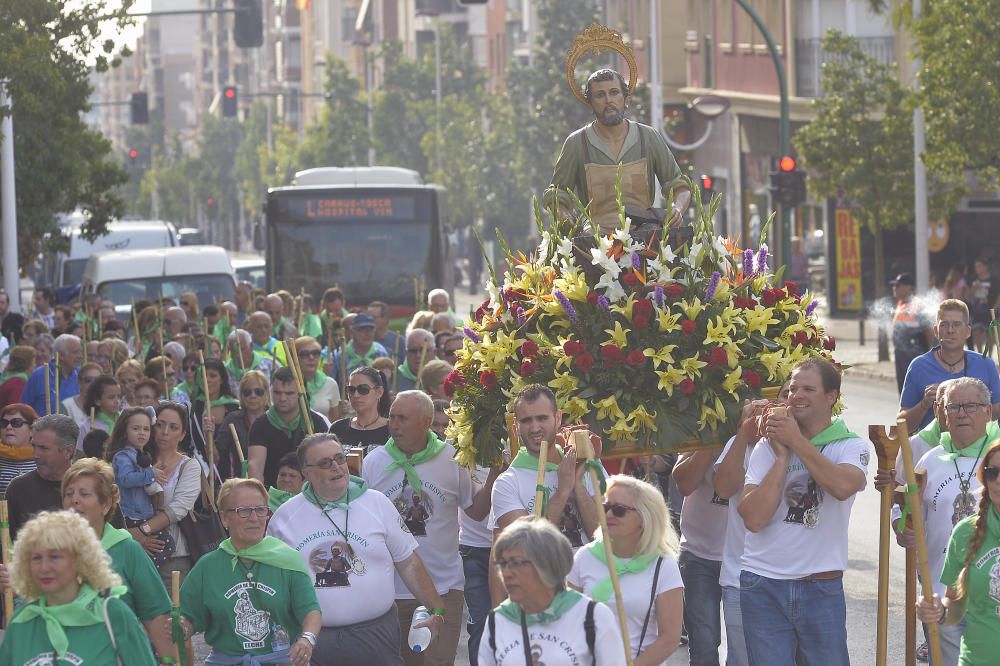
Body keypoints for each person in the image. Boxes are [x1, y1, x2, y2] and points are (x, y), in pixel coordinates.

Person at [267, 433, 446, 666]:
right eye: (325, 463)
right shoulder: (285, 517)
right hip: (313, 640)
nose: (336, 467)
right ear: (306, 473)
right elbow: (272, 582)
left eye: (339, 458)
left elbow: (408, 562)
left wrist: (436, 609)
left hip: (376, 633)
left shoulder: (378, 503)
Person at [737, 358, 869, 664]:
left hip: (820, 586)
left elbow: (842, 486)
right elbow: (754, 518)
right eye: (793, 388)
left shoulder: (850, 445)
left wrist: (796, 441)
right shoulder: (768, 448)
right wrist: (783, 459)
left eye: (809, 388)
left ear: (831, 396)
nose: (797, 395)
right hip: (762, 584)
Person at [363, 390, 493, 666]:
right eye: (392, 417)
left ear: (425, 422)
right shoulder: (374, 462)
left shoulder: (453, 460)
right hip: (390, 592)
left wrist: (494, 474)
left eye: (403, 419)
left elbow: (478, 512)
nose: (394, 424)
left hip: (444, 588)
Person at [895, 378, 997, 665]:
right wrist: (903, 529)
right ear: (943, 413)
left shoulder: (997, 457)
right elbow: (905, 514)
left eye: (970, 406)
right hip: (942, 598)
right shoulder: (929, 461)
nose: (961, 413)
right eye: (954, 407)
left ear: (988, 411)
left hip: (992, 601)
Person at [178, 477, 322, 665]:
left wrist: (307, 639)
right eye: (244, 511)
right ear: (224, 517)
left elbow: (310, 611)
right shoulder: (208, 567)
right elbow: (188, 618)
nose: (254, 518)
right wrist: (181, 628)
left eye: (260, 510)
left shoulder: (288, 560)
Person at [543, 68, 690, 234]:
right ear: (590, 103)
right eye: (600, 95)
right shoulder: (577, 143)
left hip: (645, 236)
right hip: (595, 241)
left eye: (614, 93)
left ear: (625, 98)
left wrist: (676, 210)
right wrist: (567, 221)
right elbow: (556, 194)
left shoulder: (648, 137)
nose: (608, 100)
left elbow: (679, 185)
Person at [0, 510, 157, 665]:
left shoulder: (112, 614)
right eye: (36, 558)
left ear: (79, 559)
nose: (44, 567)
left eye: (54, 556)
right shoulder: (22, 620)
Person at [59, 458, 175, 658]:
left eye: (84, 494)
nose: (74, 500)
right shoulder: (49, 553)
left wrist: (169, 660)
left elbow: (156, 616)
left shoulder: (127, 550)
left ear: (106, 505)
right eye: (69, 494)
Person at [568, 475, 684, 664]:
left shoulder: (663, 566)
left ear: (643, 518)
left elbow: (670, 638)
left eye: (619, 510)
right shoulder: (584, 558)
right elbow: (569, 622)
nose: (609, 515)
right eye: (605, 507)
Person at [714, 383, 791, 666]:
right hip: (740, 576)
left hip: (795, 580)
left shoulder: (811, 446)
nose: (789, 401)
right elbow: (723, 488)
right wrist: (742, 434)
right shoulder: (742, 444)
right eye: (785, 395)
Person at [480, 516, 626, 665]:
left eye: (516, 563)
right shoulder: (497, 619)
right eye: (503, 564)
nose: (506, 573)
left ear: (547, 564)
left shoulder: (592, 616)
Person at [490, 384, 600, 563]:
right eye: (526, 421)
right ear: (516, 426)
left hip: (592, 585)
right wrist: (563, 491)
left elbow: (605, 537)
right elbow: (524, 548)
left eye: (542, 418)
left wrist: (578, 486)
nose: (534, 428)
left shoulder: (587, 464)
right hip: (543, 587)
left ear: (558, 418)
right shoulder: (507, 483)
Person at [916, 441, 1000, 666]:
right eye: (993, 472)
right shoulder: (965, 532)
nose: (999, 480)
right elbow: (954, 606)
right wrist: (938, 611)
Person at [899, 299, 1000, 433]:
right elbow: (903, 427)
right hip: (932, 450)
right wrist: (924, 405)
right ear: (936, 330)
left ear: (968, 331)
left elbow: (996, 415)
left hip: (978, 451)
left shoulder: (985, 364)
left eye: (957, 324)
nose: (950, 330)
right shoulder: (918, 366)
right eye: (944, 325)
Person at [672, 441, 729, 665]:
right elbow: (684, 484)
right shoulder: (701, 433)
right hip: (698, 557)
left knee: (744, 645)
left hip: (746, 559)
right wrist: (711, 440)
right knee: (703, 643)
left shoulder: (759, 438)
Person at [135, 401, 203, 584]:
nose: (165, 432)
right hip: (133, 552)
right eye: (160, 425)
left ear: (182, 435)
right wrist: (133, 536)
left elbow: (178, 509)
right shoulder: (132, 459)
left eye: (173, 428)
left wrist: (143, 531)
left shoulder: (189, 466)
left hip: (173, 557)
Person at [106, 406, 174, 566]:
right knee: (160, 546)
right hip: (131, 514)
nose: (142, 433)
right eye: (136, 428)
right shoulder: (122, 456)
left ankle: (143, 568)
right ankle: (143, 569)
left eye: (146, 429)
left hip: (144, 514)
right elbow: (125, 479)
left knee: (166, 544)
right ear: (125, 431)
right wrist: (151, 475)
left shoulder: (142, 455)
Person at [248, 366, 327, 488]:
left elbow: (323, 465)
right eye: (277, 393)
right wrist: (261, 500)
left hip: (308, 495)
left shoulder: (315, 422)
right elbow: (255, 467)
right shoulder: (260, 425)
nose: (282, 398)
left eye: (289, 393)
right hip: (270, 495)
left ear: (302, 393)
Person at [7, 414, 77, 539]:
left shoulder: (90, 488)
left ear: (68, 451)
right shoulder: (18, 489)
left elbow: (116, 541)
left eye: (44, 448)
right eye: (34, 446)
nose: (35, 455)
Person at [215, 369, 270, 481]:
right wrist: (208, 435)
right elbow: (216, 457)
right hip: (240, 482)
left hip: (272, 484)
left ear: (266, 394)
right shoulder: (232, 420)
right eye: (247, 392)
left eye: (258, 392)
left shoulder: (274, 419)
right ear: (241, 395)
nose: (253, 396)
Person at [329, 366, 391, 454]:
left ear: (379, 392)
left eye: (363, 389)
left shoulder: (392, 430)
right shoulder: (338, 428)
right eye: (351, 390)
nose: (356, 395)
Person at [891, 272, 935, 394]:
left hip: (914, 354)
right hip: (900, 354)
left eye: (897, 285)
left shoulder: (917, 306)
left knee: (914, 390)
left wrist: (928, 353)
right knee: (903, 389)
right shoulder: (900, 304)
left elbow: (928, 330)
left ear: (907, 287)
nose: (894, 288)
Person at [21, 333, 82, 417]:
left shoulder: (81, 375)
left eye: (80, 352)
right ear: (61, 355)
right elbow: (24, 408)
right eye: (75, 352)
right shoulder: (39, 375)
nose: (80, 356)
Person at [330, 313, 388, 387]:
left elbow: (387, 385)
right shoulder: (339, 356)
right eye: (361, 329)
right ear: (352, 332)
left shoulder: (382, 354)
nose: (367, 333)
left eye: (371, 329)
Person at [296, 336, 341, 421]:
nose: (311, 357)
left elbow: (334, 422)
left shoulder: (330, 384)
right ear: (294, 357)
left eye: (315, 353)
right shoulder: (285, 384)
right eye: (305, 354)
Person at [0, 403, 38, 498]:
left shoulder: (44, 457)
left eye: (16, 422)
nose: (8, 427)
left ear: (32, 429)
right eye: (4, 423)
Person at [76, 375, 122, 450]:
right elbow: (80, 456)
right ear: (97, 400)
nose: (117, 401)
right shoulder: (86, 427)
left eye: (119, 396)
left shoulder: (125, 422)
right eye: (111, 397)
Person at [967, 258, 997, 352]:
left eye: (979, 266)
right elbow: (969, 296)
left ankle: (989, 355)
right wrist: (974, 288)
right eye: (976, 266)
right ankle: (980, 355)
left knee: (990, 334)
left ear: (985, 267)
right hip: (977, 310)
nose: (977, 268)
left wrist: (996, 307)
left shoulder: (994, 279)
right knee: (976, 332)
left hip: (990, 309)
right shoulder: (973, 279)